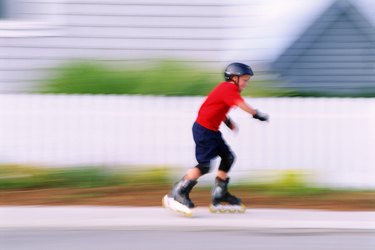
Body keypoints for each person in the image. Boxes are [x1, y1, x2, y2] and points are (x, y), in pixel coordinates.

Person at [162, 62, 269, 216]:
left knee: (228, 157)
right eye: (244, 80)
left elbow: (217, 107)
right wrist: (256, 114)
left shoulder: (226, 90)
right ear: (234, 78)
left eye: (247, 80)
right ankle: (177, 192)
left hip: (211, 131)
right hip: (204, 131)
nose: (246, 84)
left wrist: (228, 122)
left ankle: (220, 193)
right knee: (205, 165)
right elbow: (241, 104)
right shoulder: (229, 88)